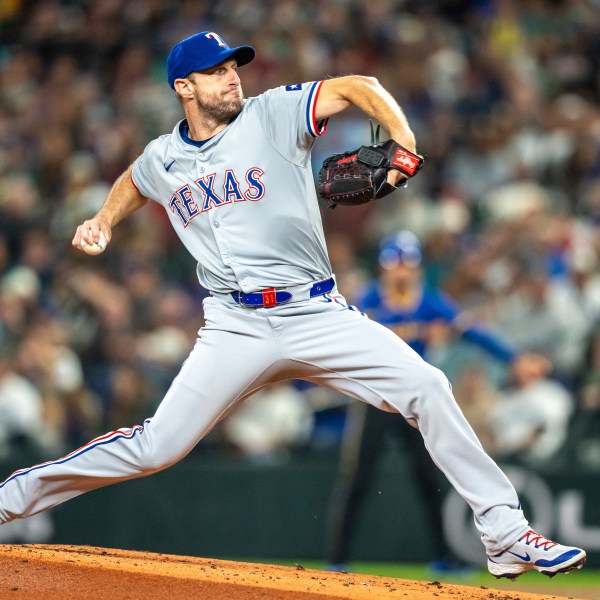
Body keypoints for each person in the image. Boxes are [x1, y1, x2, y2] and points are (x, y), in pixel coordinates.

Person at [0, 31, 586, 580]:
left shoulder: (273, 113)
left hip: (316, 313)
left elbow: (359, 87)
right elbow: (135, 176)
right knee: (158, 447)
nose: (232, 79)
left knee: (427, 386)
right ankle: (9, 502)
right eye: (216, 72)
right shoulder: (163, 157)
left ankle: (504, 533)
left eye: (234, 67)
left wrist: (403, 142)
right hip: (235, 326)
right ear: (184, 87)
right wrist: (103, 219)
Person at [325, 230, 553, 573]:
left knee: (429, 479)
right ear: (384, 268)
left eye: (407, 263)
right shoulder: (370, 299)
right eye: (394, 263)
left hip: (415, 406)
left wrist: (513, 359)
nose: (400, 271)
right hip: (375, 401)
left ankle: (445, 558)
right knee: (357, 479)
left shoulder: (429, 301)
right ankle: (337, 561)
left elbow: (475, 332)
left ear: (417, 268)